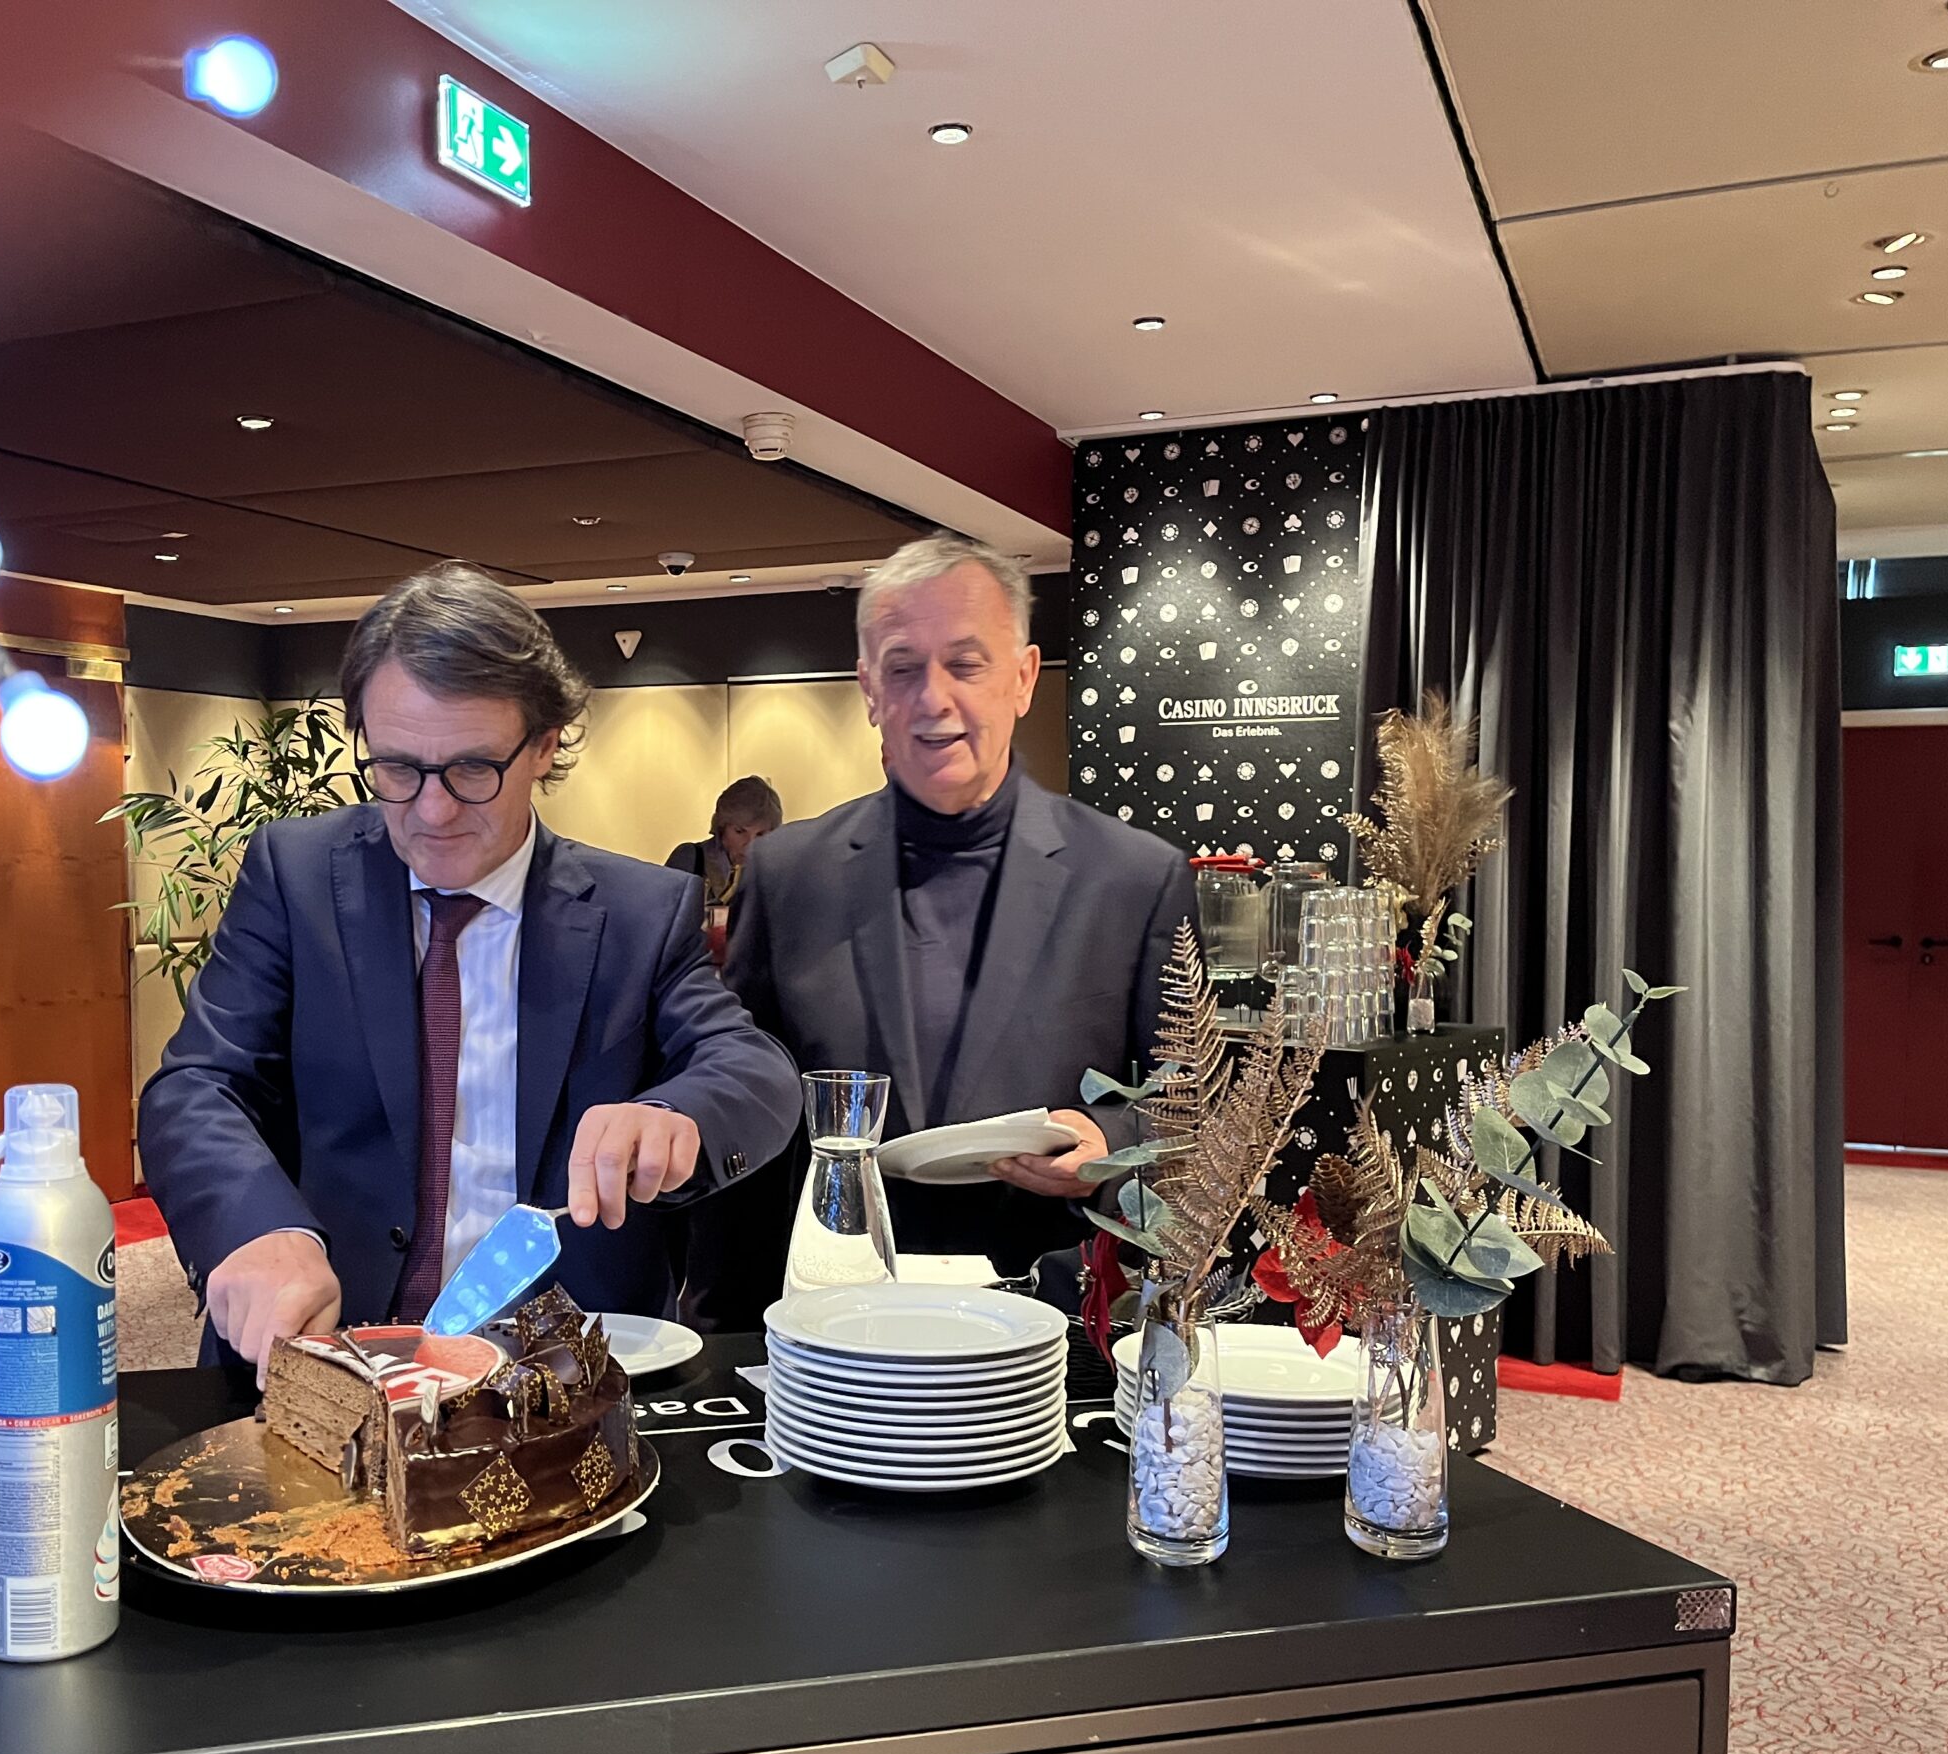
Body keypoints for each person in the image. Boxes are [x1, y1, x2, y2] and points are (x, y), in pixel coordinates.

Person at [139, 562, 799, 1380]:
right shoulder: (297, 876)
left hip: (563, 1377)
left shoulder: (639, 912)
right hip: (329, 1359)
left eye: (473, 769)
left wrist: (674, 1114)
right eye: (398, 767)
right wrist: (257, 1226)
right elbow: (198, 1084)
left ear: (545, 745)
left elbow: (754, 1070)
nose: (433, 810)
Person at [715, 531, 1198, 1307]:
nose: (933, 699)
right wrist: (728, 1320)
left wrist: (1111, 1139)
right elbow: (745, 1094)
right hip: (838, 1312)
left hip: (1051, 1304)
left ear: (1023, 677)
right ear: (869, 689)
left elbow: (1190, 1102)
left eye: (966, 665)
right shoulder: (789, 874)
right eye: (903, 668)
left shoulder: (1132, 877)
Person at [665, 775, 782, 964]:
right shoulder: (690, 859)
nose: (750, 844)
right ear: (722, 828)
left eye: (761, 834)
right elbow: (664, 931)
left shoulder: (777, 873)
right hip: (695, 973)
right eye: (740, 831)